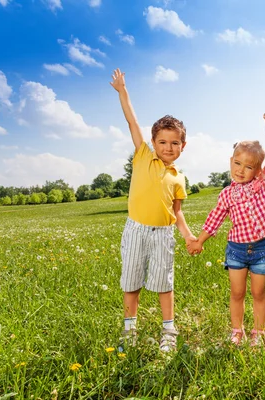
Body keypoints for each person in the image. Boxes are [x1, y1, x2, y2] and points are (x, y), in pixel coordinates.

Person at [110, 68, 196, 352]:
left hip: (163, 234)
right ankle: (129, 329)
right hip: (135, 229)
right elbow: (132, 121)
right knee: (131, 279)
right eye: (162, 141)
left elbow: (178, 212)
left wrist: (188, 236)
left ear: (183, 145)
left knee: (163, 282)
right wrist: (123, 92)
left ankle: (168, 331)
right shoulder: (143, 155)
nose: (168, 147)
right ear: (153, 142)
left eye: (174, 143)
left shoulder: (178, 177)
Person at [188, 114, 265, 346]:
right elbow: (215, 219)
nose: (241, 170)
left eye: (249, 166)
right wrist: (199, 241)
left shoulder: (261, 184)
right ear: (230, 160)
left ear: (258, 170)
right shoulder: (226, 194)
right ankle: (237, 331)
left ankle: (259, 332)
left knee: (259, 293)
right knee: (237, 293)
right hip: (236, 250)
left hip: (261, 249)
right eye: (237, 163)